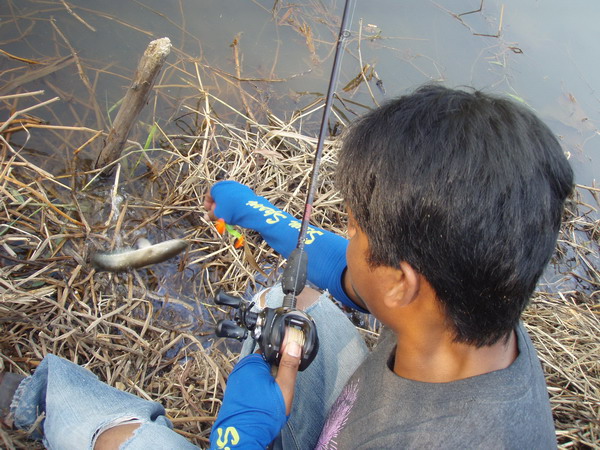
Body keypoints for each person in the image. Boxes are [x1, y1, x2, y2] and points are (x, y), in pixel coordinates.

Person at [1, 85, 573, 449]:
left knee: (122, 440)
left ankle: (44, 401)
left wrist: (240, 435)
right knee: (291, 304)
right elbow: (350, 278)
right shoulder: (484, 300)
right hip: (355, 416)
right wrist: (262, 215)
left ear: (403, 283)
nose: (346, 237)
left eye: (354, 228)